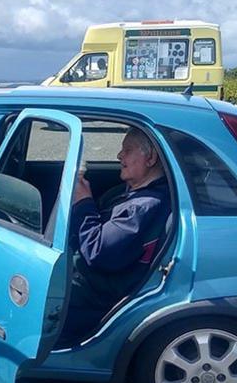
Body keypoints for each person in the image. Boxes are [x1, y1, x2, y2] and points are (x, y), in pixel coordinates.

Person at [60, 127, 171, 344]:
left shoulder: (144, 207)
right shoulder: (131, 194)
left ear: (150, 158)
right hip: (86, 278)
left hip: (93, 294)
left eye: (127, 150)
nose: (119, 156)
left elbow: (98, 252)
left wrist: (83, 202)